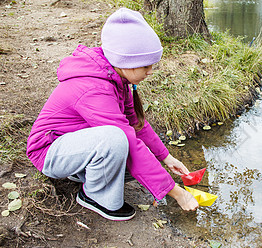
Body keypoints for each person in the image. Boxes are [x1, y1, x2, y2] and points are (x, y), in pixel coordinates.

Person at [26, 8, 199, 221]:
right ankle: (94, 197)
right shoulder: (94, 87)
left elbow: (136, 124)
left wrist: (166, 157)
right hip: (50, 152)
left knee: (127, 143)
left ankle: (83, 172)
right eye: (145, 65)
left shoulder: (117, 77)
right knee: (117, 139)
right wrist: (177, 193)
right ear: (124, 60)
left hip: (75, 143)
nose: (150, 71)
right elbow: (127, 138)